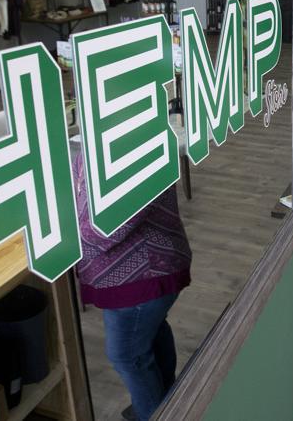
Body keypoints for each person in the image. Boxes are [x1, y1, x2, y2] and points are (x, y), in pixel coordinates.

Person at [73, 154, 191, 421]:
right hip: (148, 268)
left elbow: (106, 227)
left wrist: (65, 235)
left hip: (141, 273)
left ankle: (155, 411)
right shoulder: (107, 139)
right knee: (151, 333)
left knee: (127, 354)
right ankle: (164, 398)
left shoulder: (128, 145)